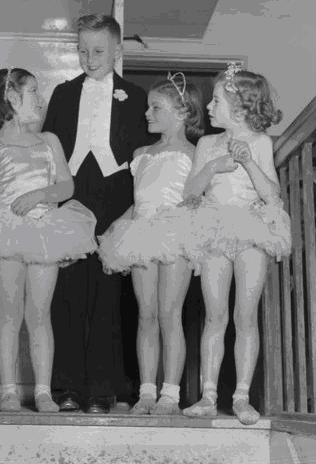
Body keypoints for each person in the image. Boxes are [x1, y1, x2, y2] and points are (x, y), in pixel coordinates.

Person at [42, 13, 154, 414]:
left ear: (118, 50)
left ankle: (104, 389)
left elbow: (144, 159)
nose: (89, 59)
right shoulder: (62, 94)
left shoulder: (137, 97)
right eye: (82, 50)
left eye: (99, 51)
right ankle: (67, 386)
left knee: (109, 295)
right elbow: (48, 153)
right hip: (71, 196)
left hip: (116, 197)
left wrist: (135, 211)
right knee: (67, 293)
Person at [0, 68, 97, 413]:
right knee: (9, 312)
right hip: (5, 232)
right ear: (12, 99)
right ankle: (9, 390)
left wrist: (41, 194)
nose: (41, 99)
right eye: (33, 92)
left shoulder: (49, 141)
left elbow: (66, 186)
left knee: (40, 313)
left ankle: (43, 391)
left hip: (45, 230)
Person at [181, 63, 291, 425]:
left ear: (240, 106)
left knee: (245, 316)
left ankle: (242, 396)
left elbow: (272, 195)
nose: (209, 108)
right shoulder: (206, 143)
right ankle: (208, 395)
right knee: (215, 315)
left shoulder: (260, 142)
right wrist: (214, 167)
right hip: (213, 229)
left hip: (252, 229)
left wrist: (249, 163)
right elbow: (191, 192)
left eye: (216, 100)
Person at [98, 73, 205, 415]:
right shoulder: (141, 154)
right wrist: (119, 223)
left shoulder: (193, 153)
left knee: (169, 314)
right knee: (146, 315)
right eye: (147, 107)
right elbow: (140, 200)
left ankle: (170, 395)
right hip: (142, 235)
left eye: (156, 107)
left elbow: (194, 196)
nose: (147, 113)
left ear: (183, 112)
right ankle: (146, 391)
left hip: (176, 235)